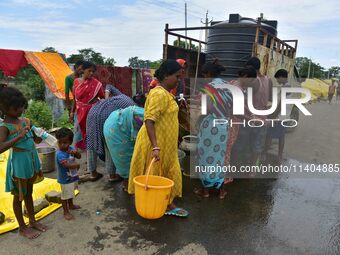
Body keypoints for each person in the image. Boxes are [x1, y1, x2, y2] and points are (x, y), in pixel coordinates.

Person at [128, 59, 189, 217]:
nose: (178, 80)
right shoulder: (159, 94)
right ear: (167, 75)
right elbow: (149, 120)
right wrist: (155, 146)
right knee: (156, 174)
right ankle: (165, 205)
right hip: (156, 143)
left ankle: (163, 201)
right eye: (177, 76)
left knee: (164, 172)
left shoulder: (165, 93)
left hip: (164, 143)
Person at [0, 85, 48, 239]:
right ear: (4, 108)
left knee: (29, 193)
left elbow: (36, 139)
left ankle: (32, 221)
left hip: (31, 162)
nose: (20, 111)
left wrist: (39, 134)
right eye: (16, 109)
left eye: (22, 107)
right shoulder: (4, 127)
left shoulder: (25, 121)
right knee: (18, 196)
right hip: (19, 166)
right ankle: (22, 227)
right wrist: (18, 137)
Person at [194, 60, 232, 199]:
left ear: (209, 73)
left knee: (205, 156)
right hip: (224, 125)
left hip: (211, 126)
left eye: (204, 75)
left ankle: (205, 191)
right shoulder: (229, 86)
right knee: (220, 157)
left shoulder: (209, 87)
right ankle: (221, 191)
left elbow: (207, 108)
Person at [86, 85, 135, 182]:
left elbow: (109, 86)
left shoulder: (122, 96)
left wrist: (106, 99)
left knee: (91, 143)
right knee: (109, 144)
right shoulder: (134, 108)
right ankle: (112, 175)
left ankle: (93, 173)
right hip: (107, 115)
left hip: (93, 111)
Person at [104, 105, 145, 191]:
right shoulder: (147, 115)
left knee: (115, 155)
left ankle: (113, 176)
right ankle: (127, 185)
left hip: (110, 123)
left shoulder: (142, 111)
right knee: (127, 158)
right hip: (116, 129)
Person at [244, 57, 272, 168]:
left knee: (248, 143)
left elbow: (247, 101)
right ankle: (253, 169)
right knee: (258, 144)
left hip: (251, 116)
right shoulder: (268, 79)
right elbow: (270, 97)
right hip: (263, 115)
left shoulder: (253, 81)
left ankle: (247, 165)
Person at [71, 61, 105, 151]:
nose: (91, 73)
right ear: (83, 70)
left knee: (91, 133)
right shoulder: (76, 82)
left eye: (93, 71)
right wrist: (71, 111)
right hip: (78, 112)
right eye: (89, 71)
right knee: (78, 132)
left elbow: (102, 97)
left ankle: (90, 154)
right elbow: (74, 98)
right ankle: (76, 152)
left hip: (91, 112)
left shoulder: (96, 84)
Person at [263, 69, 290, 164]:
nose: (277, 81)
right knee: (278, 135)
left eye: (278, 78)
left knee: (275, 135)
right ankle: (272, 153)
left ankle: (277, 155)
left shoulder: (286, 87)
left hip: (280, 116)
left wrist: (273, 115)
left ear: (282, 77)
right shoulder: (285, 86)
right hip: (282, 115)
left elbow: (281, 103)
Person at [55, 128, 81, 220]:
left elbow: (79, 156)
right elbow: (66, 165)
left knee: (71, 192)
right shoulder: (60, 154)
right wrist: (76, 165)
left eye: (65, 142)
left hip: (72, 177)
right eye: (60, 142)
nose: (62, 145)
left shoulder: (71, 149)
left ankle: (71, 205)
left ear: (70, 142)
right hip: (64, 179)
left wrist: (76, 153)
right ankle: (65, 212)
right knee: (65, 195)